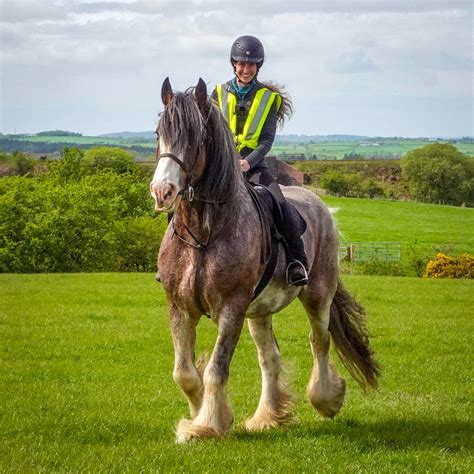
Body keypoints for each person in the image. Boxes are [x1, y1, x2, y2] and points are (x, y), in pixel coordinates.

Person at [211, 35, 308, 286]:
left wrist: (248, 162)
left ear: (258, 66)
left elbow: (266, 140)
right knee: (186, 197)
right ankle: (172, 261)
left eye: (251, 64)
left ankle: (297, 262)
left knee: (281, 204)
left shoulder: (269, 98)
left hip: (253, 165)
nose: (245, 69)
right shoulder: (218, 93)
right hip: (222, 165)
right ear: (233, 64)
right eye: (241, 64)